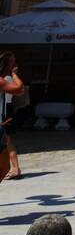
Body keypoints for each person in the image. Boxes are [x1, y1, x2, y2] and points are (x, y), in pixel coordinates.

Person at [0, 53, 26, 185]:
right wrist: (14, 73)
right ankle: (16, 168)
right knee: (7, 142)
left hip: (3, 115)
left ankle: (15, 168)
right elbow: (20, 89)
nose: (15, 65)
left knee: (4, 165)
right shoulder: (4, 79)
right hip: (5, 113)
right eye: (12, 63)